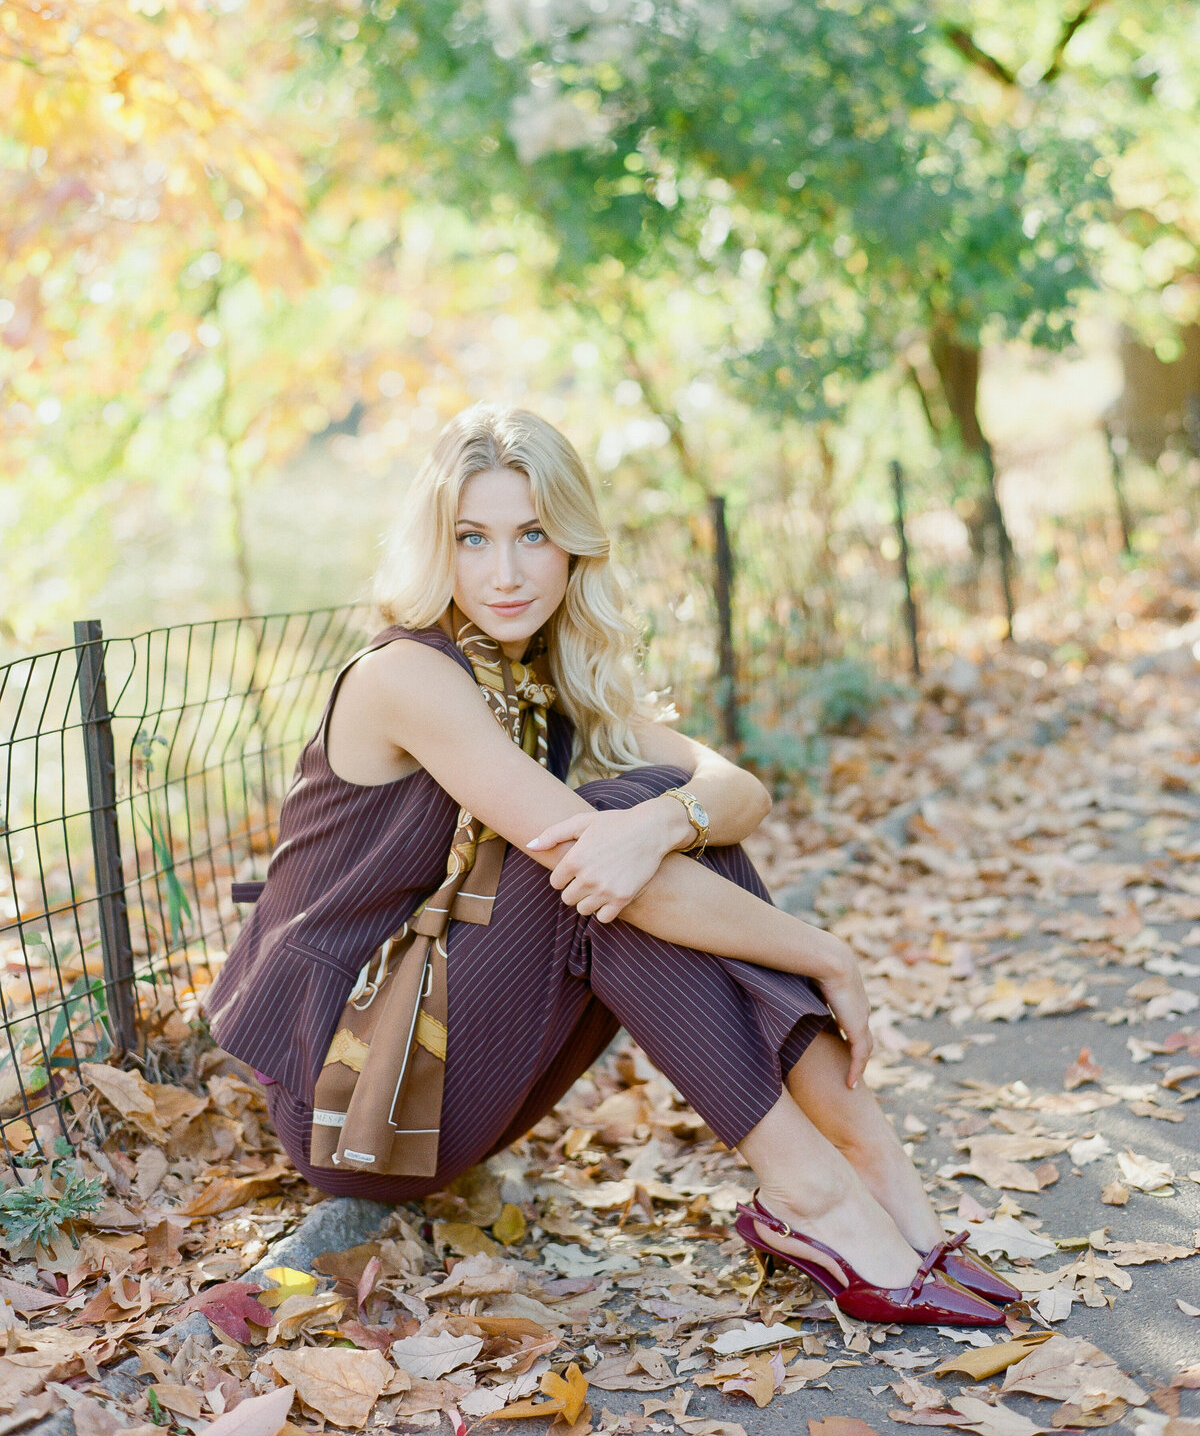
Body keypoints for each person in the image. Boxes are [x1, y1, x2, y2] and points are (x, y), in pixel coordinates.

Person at [208, 405, 1016, 1327]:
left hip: (445, 1077)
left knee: (641, 831)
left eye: (533, 535)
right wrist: (823, 952)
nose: (504, 572)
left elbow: (734, 788)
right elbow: (591, 856)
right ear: (439, 546)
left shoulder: (541, 682)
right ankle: (816, 1195)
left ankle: (876, 1176)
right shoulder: (407, 677)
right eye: (473, 538)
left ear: (572, 548)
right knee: (598, 851)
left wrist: (669, 819)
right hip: (352, 1103)